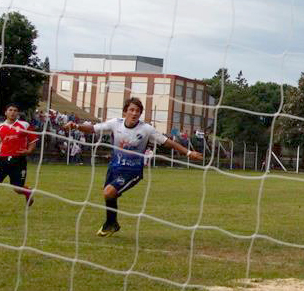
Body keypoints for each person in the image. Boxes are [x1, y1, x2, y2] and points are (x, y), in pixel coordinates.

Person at [65, 97, 202, 237]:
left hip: (132, 171)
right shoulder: (115, 124)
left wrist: (189, 152)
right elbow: (93, 129)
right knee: (109, 195)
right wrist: (76, 126)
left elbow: (168, 142)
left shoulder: (146, 129)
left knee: (108, 193)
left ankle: (110, 224)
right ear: (125, 112)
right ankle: (113, 224)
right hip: (114, 168)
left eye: (138, 111)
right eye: (131, 110)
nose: (134, 113)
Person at [0, 103, 38, 206]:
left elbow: (33, 140)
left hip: (18, 160)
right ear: (6, 112)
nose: (12, 112)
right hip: (2, 159)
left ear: (17, 113)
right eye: (10, 110)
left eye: (15, 110)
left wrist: (29, 151)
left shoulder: (24, 125)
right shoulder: (1, 126)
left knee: (17, 189)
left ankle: (27, 192)